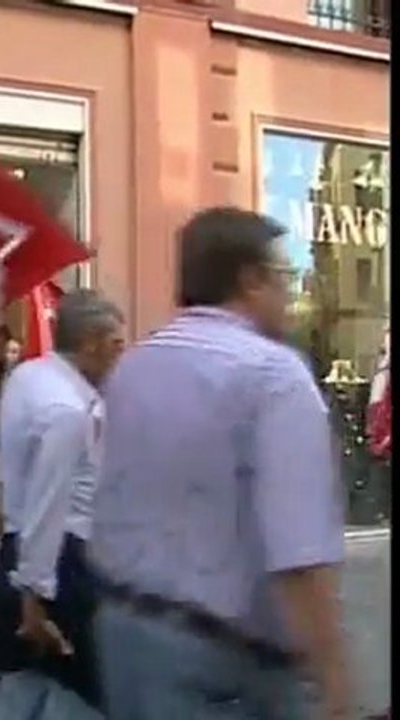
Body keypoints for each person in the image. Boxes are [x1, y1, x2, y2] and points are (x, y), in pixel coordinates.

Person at [89, 207, 351, 719]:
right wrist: (335, 678)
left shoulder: (135, 366)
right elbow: (299, 551)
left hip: (125, 636)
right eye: (284, 277)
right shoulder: (274, 375)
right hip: (224, 664)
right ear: (251, 281)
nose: (290, 295)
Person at [0, 290, 126, 720]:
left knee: (21, 689)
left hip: (19, 552)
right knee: (80, 694)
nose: (122, 355)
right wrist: (36, 596)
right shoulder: (67, 412)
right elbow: (48, 506)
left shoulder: (29, 377)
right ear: (91, 344)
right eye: (116, 344)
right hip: (59, 561)